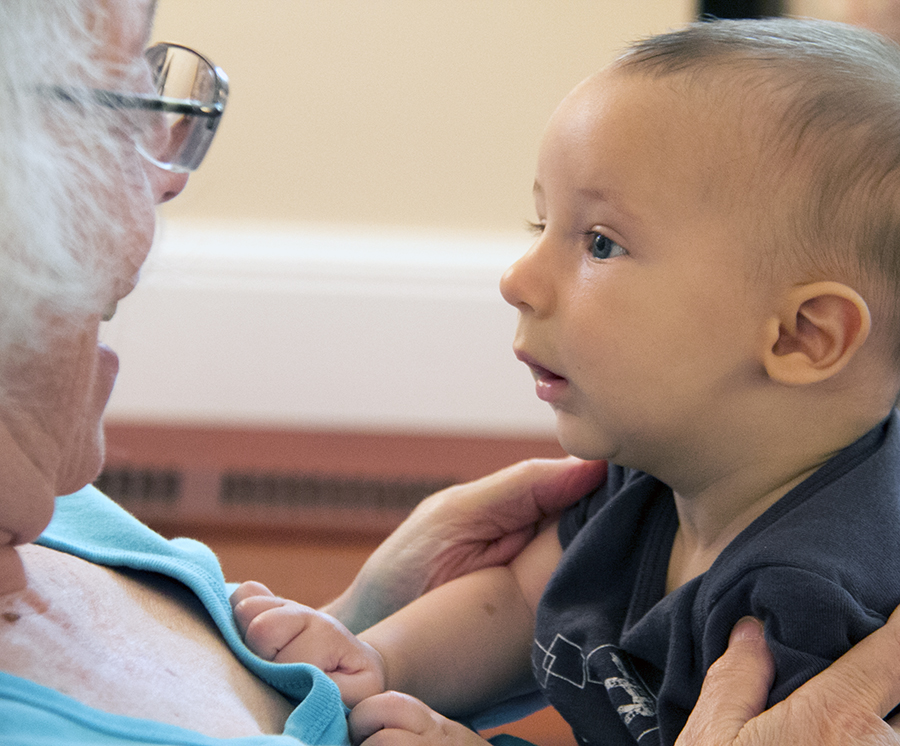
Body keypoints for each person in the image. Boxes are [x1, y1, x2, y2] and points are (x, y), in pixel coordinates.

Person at [0, 4, 899, 745]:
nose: (516, 279)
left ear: (805, 335)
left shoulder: (814, 598)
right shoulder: (674, 471)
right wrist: (373, 657)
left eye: (599, 243)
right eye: (536, 225)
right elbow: (516, 598)